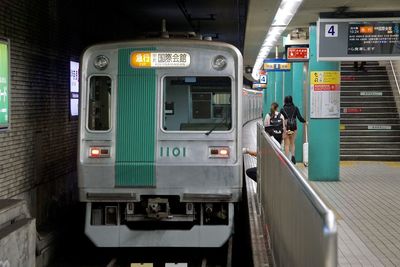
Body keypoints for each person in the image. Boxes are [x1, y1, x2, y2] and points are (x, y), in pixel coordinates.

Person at [280, 96, 306, 164]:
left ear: (285, 100)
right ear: (291, 100)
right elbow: (300, 118)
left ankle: (287, 159)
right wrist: (305, 121)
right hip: (293, 128)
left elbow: (280, 119)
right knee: (292, 143)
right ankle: (293, 156)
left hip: (286, 128)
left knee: (286, 144)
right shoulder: (295, 108)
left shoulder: (282, 109)